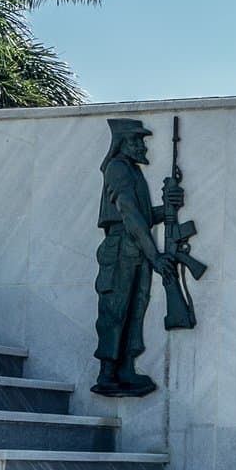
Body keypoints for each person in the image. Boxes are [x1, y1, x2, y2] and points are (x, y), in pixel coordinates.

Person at [93, 118, 181, 396]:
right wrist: (155, 256)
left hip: (137, 247)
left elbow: (140, 216)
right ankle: (108, 372)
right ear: (123, 143)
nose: (142, 146)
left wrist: (165, 208)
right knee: (116, 310)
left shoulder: (132, 171)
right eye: (137, 141)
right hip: (121, 247)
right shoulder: (118, 168)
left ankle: (126, 368)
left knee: (137, 307)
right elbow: (128, 215)